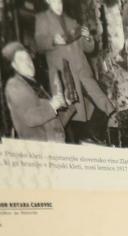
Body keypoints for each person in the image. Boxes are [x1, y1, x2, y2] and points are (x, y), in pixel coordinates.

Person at [34, 0, 115, 143]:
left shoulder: (72, 21)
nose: (58, 4)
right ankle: (83, 140)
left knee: (103, 103)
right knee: (72, 115)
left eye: (60, 1)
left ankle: (91, 137)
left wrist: (87, 37)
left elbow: (89, 48)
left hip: (82, 71)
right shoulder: (42, 19)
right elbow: (38, 44)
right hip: (64, 76)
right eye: (54, 1)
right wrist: (53, 40)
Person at [2, 41, 74, 141]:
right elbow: (30, 118)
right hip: (38, 149)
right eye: (21, 60)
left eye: (28, 58)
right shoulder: (14, 85)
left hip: (54, 145)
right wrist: (52, 105)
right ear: (14, 65)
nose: (28, 62)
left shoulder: (35, 85)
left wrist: (66, 103)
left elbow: (56, 124)